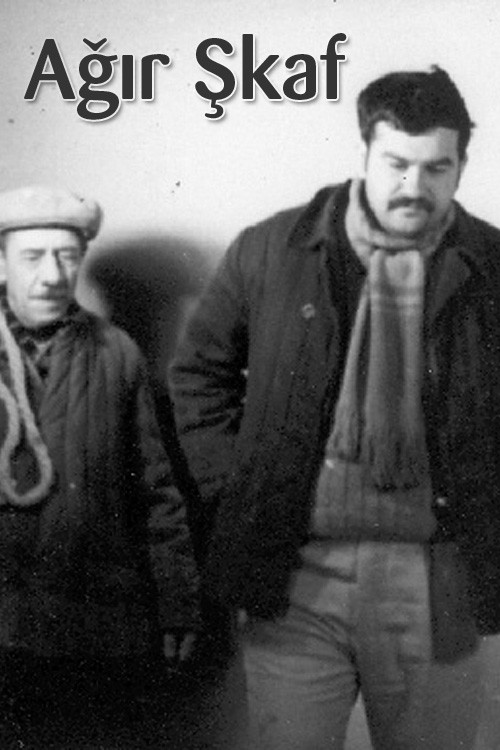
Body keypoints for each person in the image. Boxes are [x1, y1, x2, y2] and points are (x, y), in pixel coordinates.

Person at [170, 66, 500, 749]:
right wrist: (240, 494)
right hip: (295, 575)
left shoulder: (492, 264)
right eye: (397, 163)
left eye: (436, 168)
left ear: (461, 168)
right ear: (364, 154)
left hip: (439, 577)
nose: (414, 186)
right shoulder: (272, 249)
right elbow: (198, 375)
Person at [0, 185, 199, 745]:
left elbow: (157, 493)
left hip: (93, 629)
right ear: (1, 262)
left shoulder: (117, 353)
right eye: (32, 257)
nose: (52, 275)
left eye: (67, 257)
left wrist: (178, 604)